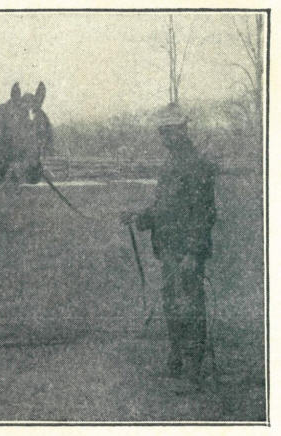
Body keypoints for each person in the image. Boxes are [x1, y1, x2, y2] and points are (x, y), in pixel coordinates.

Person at [120, 103, 217, 385]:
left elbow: (205, 213)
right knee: (172, 305)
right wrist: (139, 216)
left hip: (185, 252)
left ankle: (193, 367)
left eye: (167, 132)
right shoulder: (171, 164)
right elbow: (165, 207)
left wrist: (192, 253)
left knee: (190, 306)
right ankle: (176, 356)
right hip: (169, 249)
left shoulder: (196, 164)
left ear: (180, 131)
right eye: (161, 133)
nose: (163, 138)